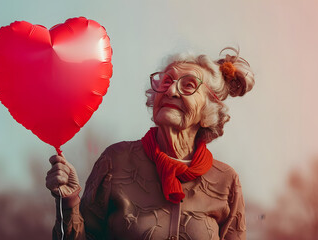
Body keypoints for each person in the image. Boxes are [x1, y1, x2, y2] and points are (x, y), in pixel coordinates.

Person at [46, 47, 255, 240]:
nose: (171, 91)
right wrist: (69, 201)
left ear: (208, 110)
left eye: (188, 85)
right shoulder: (115, 161)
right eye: (166, 81)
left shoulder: (226, 180)